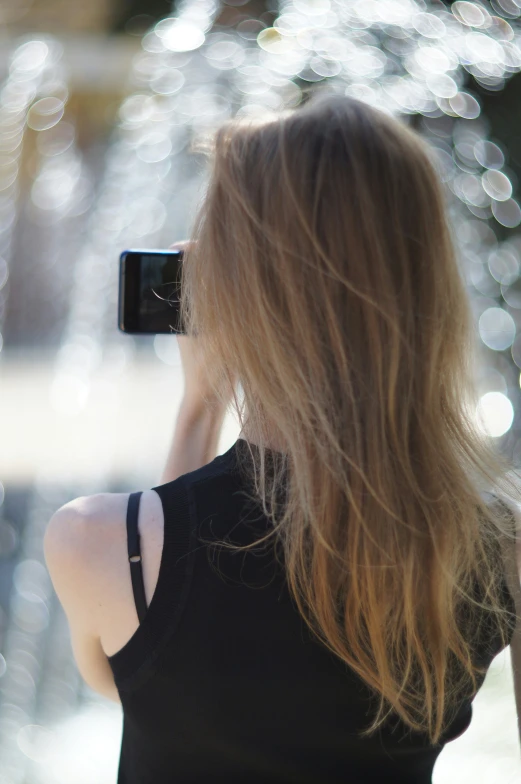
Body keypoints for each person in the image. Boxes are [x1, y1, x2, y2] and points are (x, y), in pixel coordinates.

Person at [43, 94, 521, 783]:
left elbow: (139, 684)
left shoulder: (93, 541)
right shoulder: (494, 550)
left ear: (238, 295)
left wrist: (199, 407)